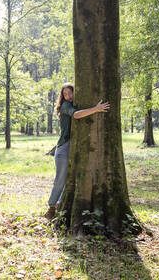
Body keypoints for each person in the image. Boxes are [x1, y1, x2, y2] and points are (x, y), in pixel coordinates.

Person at [44, 83, 110, 220]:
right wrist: (96, 109)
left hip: (71, 148)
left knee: (69, 179)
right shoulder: (66, 106)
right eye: (65, 94)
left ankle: (59, 205)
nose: (68, 96)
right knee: (60, 180)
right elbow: (76, 115)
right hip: (63, 150)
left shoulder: (72, 104)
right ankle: (51, 208)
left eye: (70, 93)